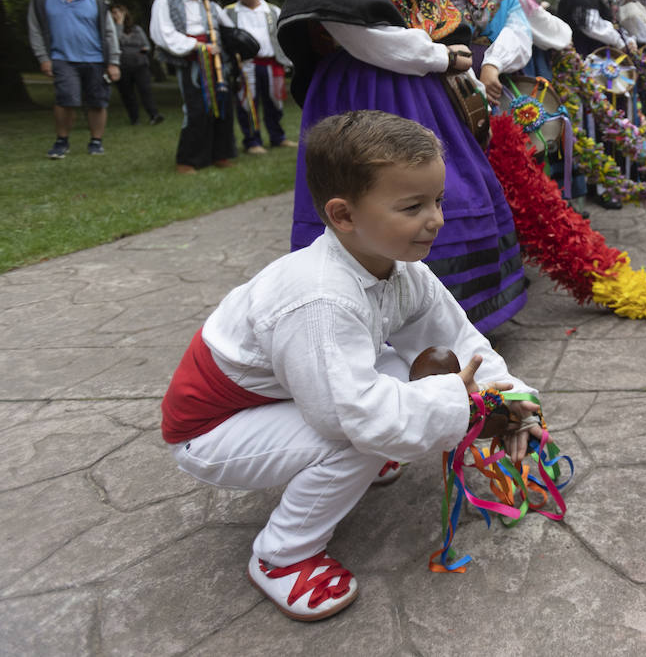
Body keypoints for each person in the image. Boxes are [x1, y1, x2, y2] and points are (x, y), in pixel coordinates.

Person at [160, 110, 541, 621]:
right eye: (412, 206)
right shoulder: (320, 299)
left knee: (384, 378)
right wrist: (462, 409)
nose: (437, 219)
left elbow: (456, 339)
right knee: (358, 433)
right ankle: (282, 557)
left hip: (282, 398)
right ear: (343, 215)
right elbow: (349, 417)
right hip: (209, 430)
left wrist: (510, 402)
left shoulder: (402, 269)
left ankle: (350, 468)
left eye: (437, 200)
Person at [277, 0, 527, 332]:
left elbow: (437, 21)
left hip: (420, 92)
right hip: (365, 93)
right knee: (378, 192)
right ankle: (371, 319)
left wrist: (461, 73)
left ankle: (451, 315)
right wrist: (445, 60)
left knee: (442, 189)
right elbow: (369, 38)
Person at [150, 0, 238, 173]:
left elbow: (230, 33)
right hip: (190, 62)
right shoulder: (165, 0)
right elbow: (163, 33)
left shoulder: (212, 7)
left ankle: (220, 154)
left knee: (222, 105)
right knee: (196, 108)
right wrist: (197, 46)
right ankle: (188, 160)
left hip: (217, 62)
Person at [28, 0, 121, 158]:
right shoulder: (41, 0)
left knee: (98, 102)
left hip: (95, 59)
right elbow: (35, 32)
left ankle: (96, 141)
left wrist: (113, 62)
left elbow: (109, 33)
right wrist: (43, 58)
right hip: (62, 58)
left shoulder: (96, 2)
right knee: (66, 99)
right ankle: (62, 141)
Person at [226, 0, 296, 155]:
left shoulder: (273, 11)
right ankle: (252, 141)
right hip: (246, 65)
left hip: (272, 64)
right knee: (247, 103)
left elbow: (284, 36)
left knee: (275, 103)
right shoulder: (230, 12)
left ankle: (278, 137)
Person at [109, 4, 164, 126]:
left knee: (145, 90)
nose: (117, 15)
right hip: (122, 66)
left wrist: (141, 54)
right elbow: (114, 42)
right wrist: (119, 24)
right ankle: (134, 118)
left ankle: (154, 115)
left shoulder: (136, 29)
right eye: (114, 12)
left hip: (140, 65)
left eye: (119, 12)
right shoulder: (111, 30)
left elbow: (147, 46)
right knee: (127, 93)